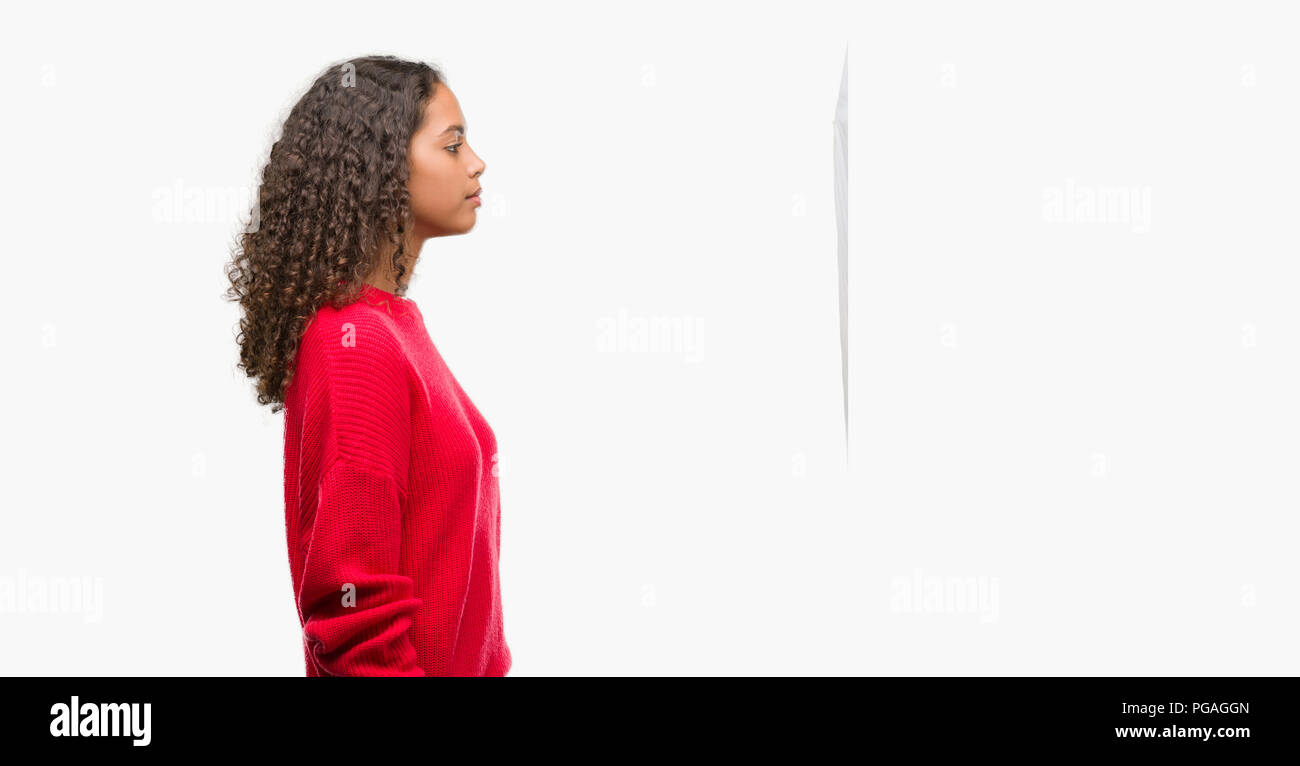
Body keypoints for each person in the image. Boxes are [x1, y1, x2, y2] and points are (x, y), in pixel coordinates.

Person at [224, 55, 510, 676]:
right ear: (383, 166)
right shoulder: (354, 345)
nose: (477, 162)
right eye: (453, 144)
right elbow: (354, 615)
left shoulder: (393, 327)